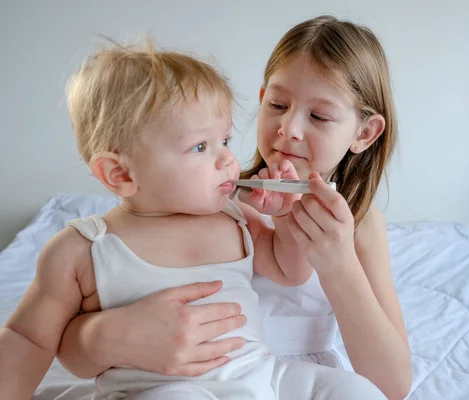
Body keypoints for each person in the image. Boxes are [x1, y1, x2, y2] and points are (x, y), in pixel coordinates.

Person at [0, 40, 388, 400]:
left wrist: (283, 217)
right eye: (201, 146)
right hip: (166, 388)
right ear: (121, 174)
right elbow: (27, 337)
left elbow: (289, 270)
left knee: (351, 391)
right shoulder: (83, 248)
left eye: (225, 140)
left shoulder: (235, 218)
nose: (227, 159)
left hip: (262, 375)